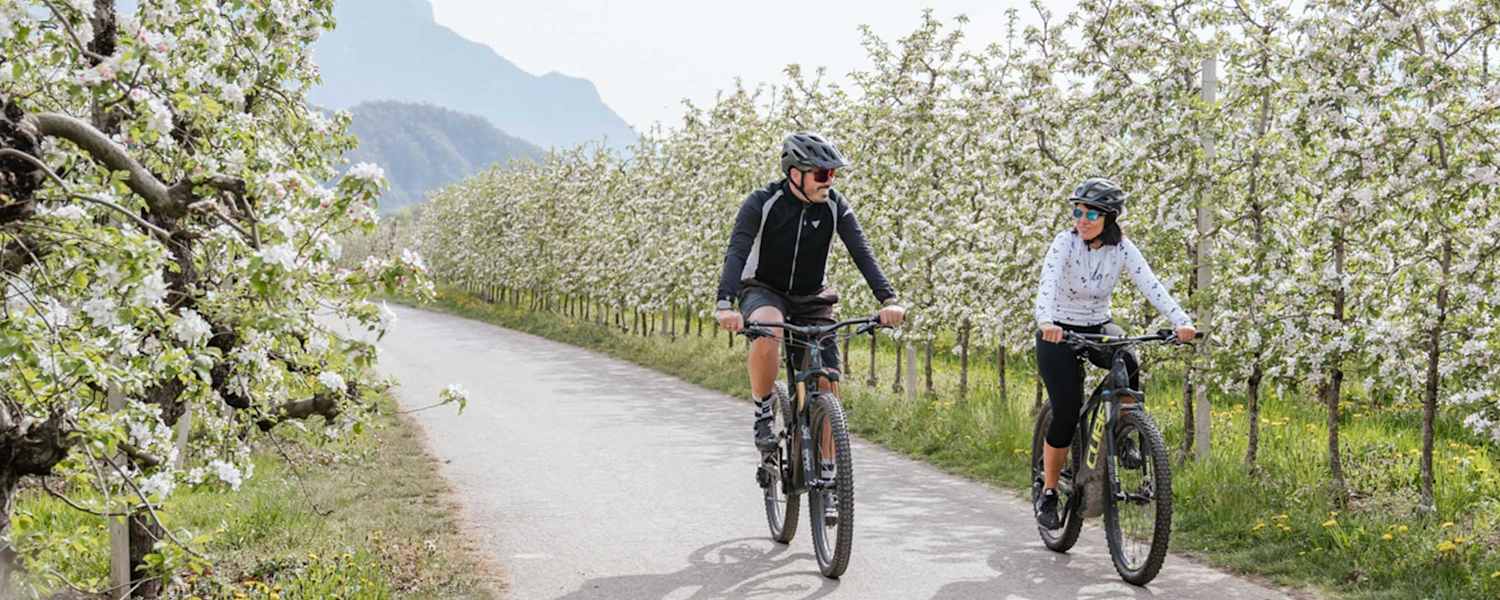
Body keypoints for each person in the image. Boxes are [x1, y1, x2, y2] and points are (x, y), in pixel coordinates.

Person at [714, 132, 906, 494]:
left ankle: (830, 467)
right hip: (763, 289)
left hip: (813, 296)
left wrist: (888, 299)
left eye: (832, 175)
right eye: (821, 174)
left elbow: (861, 251)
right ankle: (763, 409)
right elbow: (737, 251)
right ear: (794, 174)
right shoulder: (762, 202)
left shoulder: (834, 205)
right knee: (768, 327)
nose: (828, 182)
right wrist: (725, 304)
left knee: (827, 379)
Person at [1032, 177, 1196, 530]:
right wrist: (1046, 320)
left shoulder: (1121, 248)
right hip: (1058, 331)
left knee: (1128, 358)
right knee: (1067, 410)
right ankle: (1047, 491)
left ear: (1109, 218)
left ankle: (1126, 433)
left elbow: (1151, 284)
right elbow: (1047, 282)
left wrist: (1182, 322)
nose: (1083, 219)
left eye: (1091, 212)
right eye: (1078, 211)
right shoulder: (1065, 243)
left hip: (1098, 325)